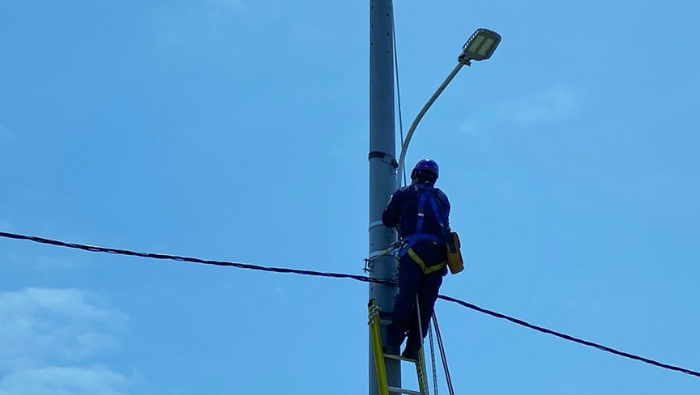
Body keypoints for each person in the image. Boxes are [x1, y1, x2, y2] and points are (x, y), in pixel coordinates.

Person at [381, 158, 451, 360]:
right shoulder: (442, 199)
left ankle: (393, 343)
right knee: (425, 304)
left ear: (415, 174)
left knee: (406, 297)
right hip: (438, 257)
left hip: (414, 252)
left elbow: (387, 219)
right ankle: (413, 348)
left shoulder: (405, 193)